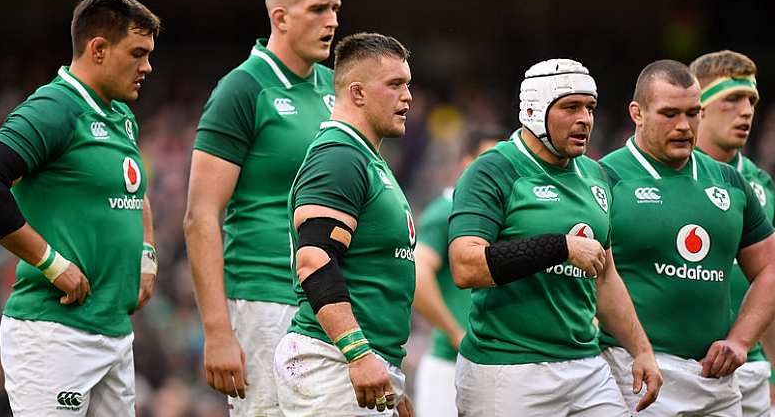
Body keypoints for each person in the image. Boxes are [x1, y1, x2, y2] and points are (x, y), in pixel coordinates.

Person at [448, 59, 661, 417]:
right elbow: (465, 266)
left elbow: (606, 276)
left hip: (585, 366)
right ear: (533, 110)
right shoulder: (494, 169)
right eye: (570, 107)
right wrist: (558, 247)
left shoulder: (596, 175)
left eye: (590, 108)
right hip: (509, 368)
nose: (585, 119)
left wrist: (642, 350)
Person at [0, 0, 160, 415]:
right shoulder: (55, 107)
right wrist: (52, 264)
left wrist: (147, 255)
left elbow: (134, 189)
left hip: (115, 335)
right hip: (55, 336)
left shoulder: (121, 115)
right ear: (98, 49)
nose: (147, 67)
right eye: (137, 53)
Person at [182, 0, 340, 413]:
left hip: (334, 299)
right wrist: (217, 330)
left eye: (335, 9)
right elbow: (201, 216)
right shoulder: (242, 89)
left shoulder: (337, 88)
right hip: (266, 299)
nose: (331, 21)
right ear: (281, 17)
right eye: (318, 9)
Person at [599, 59, 775, 416]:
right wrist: (637, 350)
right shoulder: (605, 177)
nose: (683, 126)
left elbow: (772, 267)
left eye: (693, 113)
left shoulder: (729, 180)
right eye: (669, 114)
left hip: (717, 377)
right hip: (635, 372)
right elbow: (587, 275)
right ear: (637, 113)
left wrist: (740, 341)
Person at [273, 32, 415, 416]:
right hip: (333, 362)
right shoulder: (339, 157)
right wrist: (359, 354)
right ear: (357, 93)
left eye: (408, 84)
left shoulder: (366, 159)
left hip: (362, 363)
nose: (408, 97)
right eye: (395, 85)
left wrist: (388, 373)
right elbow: (315, 261)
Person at [691, 50, 775, 417]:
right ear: (700, 107)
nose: (746, 111)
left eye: (751, 100)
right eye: (732, 99)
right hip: (680, 365)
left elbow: (770, 281)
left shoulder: (760, 183)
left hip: (750, 365)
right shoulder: (651, 176)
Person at [412, 125, 506, 417]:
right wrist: (454, 332)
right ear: (466, 163)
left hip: (497, 366)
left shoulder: (504, 214)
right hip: (449, 366)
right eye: (486, 162)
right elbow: (417, 275)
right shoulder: (447, 210)